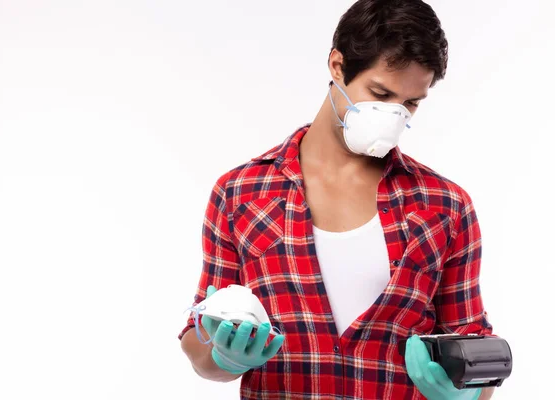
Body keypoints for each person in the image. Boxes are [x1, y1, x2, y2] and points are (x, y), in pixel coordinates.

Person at [178, 0, 497, 398]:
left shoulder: (445, 206)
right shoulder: (240, 192)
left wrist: (467, 393)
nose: (393, 115)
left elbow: (477, 352)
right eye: (380, 92)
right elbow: (198, 336)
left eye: (411, 103)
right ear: (337, 66)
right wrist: (223, 356)